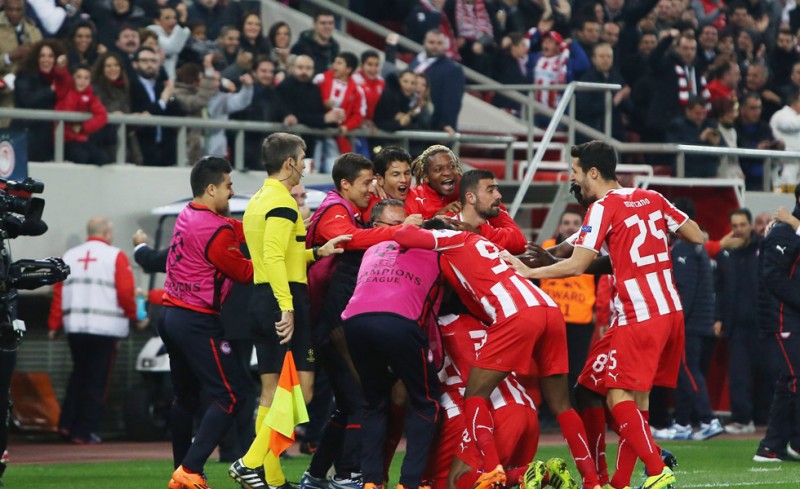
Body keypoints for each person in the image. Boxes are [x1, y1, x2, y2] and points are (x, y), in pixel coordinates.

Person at [501, 140, 704, 489]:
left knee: (617, 397)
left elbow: (577, 264)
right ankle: (618, 482)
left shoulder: (602, 207)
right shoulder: (652, 198)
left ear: (592, 172)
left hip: (638, 314)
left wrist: (528, 271)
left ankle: (656, 469)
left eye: (575, 171)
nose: (572, 178)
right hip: (669, 310)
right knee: (617, 395)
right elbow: (696, 235)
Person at [230, 134, 348, 489]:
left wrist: (316, 253)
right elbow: (274, 256)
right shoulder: (282, 202)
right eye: (303, 157)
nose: (305, 165)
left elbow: (276, 255)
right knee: (302, 391)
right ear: (289, 163)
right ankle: (250, 462)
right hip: (284, 299)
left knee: (271, 393)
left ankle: (272, 478)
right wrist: (287, 306)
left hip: (260, 298)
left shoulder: (257, 200)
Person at [159, 156, 253, 489]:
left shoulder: (189, 213)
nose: (232, 192)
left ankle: (181, 472)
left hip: (170, 315)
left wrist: (276, 227)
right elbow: (245, 272)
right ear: (211, 189)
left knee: (185, 398)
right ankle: (190, 468)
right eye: (229, 186)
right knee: (231, 394)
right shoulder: (216, 229)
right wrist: (286, 256)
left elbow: (236, 229)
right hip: (196, 320)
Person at [341, 206, 443, 489]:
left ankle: (371, 482)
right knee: (426, 402)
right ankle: (409, 483)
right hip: (400, 322)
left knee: (374, 404)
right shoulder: (437, 251)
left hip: (355, 321)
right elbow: (433, 310)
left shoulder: (373, 249)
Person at [47, 216, 140, 444]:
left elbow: (59, 292)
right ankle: (84, 431)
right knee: (97, 379)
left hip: (75, 327)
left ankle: (66, 424)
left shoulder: (70, 256)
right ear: (107, 233)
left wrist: (54, 324)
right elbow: (125, 293)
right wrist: (135, 316)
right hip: (105, 329)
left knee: (78, 375)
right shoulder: (115, 256)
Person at [652, 198, 723, 442]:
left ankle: (707, 419)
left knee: (687, 371)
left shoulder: (683, 248)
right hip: (701, 321)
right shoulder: (696, 245)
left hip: (689, 322)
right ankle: (682, 422)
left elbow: (685, 290)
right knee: (685, 371)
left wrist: (676, 321)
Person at [716, 208, 771, 435]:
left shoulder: (764, 249)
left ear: (750, 225)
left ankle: (764, 418)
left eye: (742, 224)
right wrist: (719, 318)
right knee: (739, 374)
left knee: (767, 373)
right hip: (736, 325)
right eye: (735, 225)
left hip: (762, 322)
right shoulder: (725, 253)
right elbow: (719, 289)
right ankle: (742, 419)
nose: (739, 229)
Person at [757, 199, 800, 461]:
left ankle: (772, 446)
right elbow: (772, 276)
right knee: (795, 377)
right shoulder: (782, 232)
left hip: (791, 317)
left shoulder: (790, 227)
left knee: (789, 379)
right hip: (783, 318)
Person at [539, 210, 597, 395]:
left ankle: (572, 407)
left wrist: (597, 312)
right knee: (548, 368)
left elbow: (601, 283)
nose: (570, 227)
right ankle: (548, 409)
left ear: (582, 228)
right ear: (559, 227)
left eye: (575, 223)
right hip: (551, 322)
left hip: (581, 324)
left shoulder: (592, 253)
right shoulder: (546, 247)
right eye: (566, 223)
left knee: (576, 370)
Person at [10, 39, 66, 162]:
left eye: (51, 56)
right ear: (36, 58)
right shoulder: (24, 75)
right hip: (26, 134)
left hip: (49, 138)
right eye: (42, 56)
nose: (46, 60)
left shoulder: (60, 78)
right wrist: (50, 90)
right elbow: (27, 100)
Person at [129, 46, 183, 166]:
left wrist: (170, 97)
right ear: (135, 64)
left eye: (153, 61)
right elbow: (142, 112)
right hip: (141, 149)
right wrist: (162, 101)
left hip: (166, 151)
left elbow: (179, 112)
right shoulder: (131, 86)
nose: (149, 64)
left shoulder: (162, 87)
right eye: (144, 61)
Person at [53, 56, 110, 165]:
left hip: (81, 138)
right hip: (64, 140)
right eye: (79, 77)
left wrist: (84, 127)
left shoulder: (91, 97)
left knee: (102, 158)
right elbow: (62, 77)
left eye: (86, 78)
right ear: (73, 78)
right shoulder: (66, 90)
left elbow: (102, 115)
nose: (82, 81)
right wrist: (60, 66)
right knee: (81, 157)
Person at [409, 29, 465, 135]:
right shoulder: (415, 61)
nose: (435, 46)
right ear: (424, 42)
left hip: (433, 128)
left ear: (445, 45)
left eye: (439, 43)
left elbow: (452, 102)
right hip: (410, 123)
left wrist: (445, 126)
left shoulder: (452, 69)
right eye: (431, 42)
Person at [291, 10, 340, 75]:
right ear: (314, 24)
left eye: (330, 23)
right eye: (323, 23)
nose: (327, 27)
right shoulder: (301, 46)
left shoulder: (334, 47)